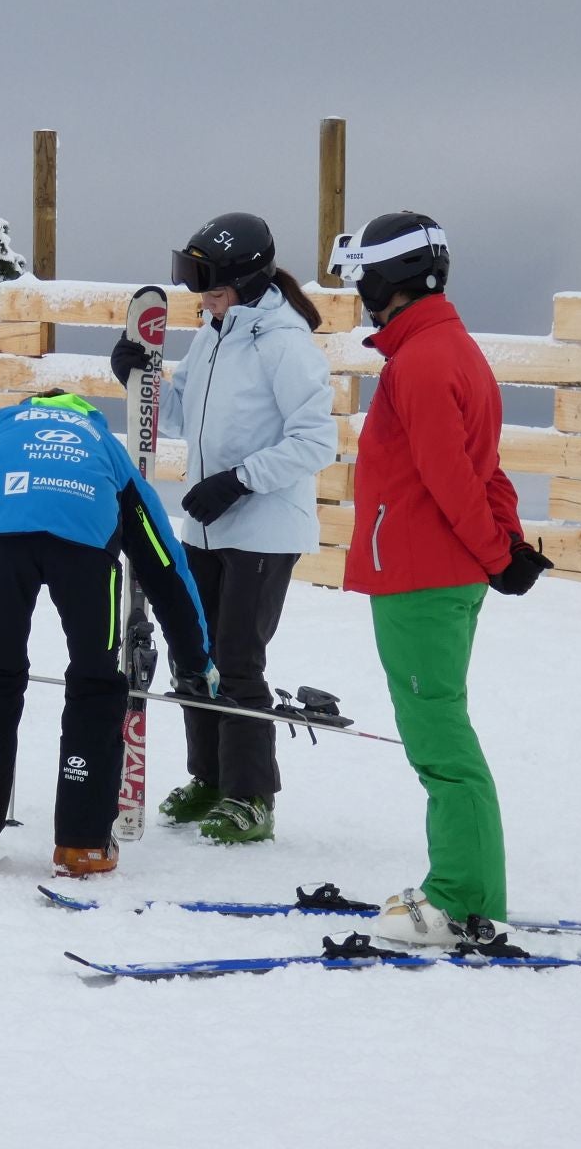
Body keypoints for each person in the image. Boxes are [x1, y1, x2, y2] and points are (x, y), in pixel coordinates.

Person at [327, 210, 552, 943]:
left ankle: (455, 898)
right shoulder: (451, 350)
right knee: (442, 735)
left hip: (420, 577)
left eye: (365, 277)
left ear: (393, 279)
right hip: (432, 572)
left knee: (438, 743)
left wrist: (498, 553)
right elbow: (484, 465)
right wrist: (506, 546)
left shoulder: (421, 362)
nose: (361, 291)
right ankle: (470, 890)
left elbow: (452, 476)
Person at [109, 213, 337, 845]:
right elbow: (182, 417)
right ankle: (209, 778)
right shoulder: (214, 334)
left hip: (263, 529)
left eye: (212, 289)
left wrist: (239, 480)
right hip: (205, 525)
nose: (201, 301)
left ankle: (251, 796)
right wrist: (138, 375)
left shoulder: (283, 343)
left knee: (236, 660)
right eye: (199, 289)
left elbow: (318, 441)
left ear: (249, 280)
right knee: (192, 653)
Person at [0, 390, 213, 877]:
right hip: (85, 539)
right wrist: (195, 655)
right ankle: (83, 844)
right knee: (96, 682)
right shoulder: (100, 437)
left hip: (0, 534)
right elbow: (161, 554)